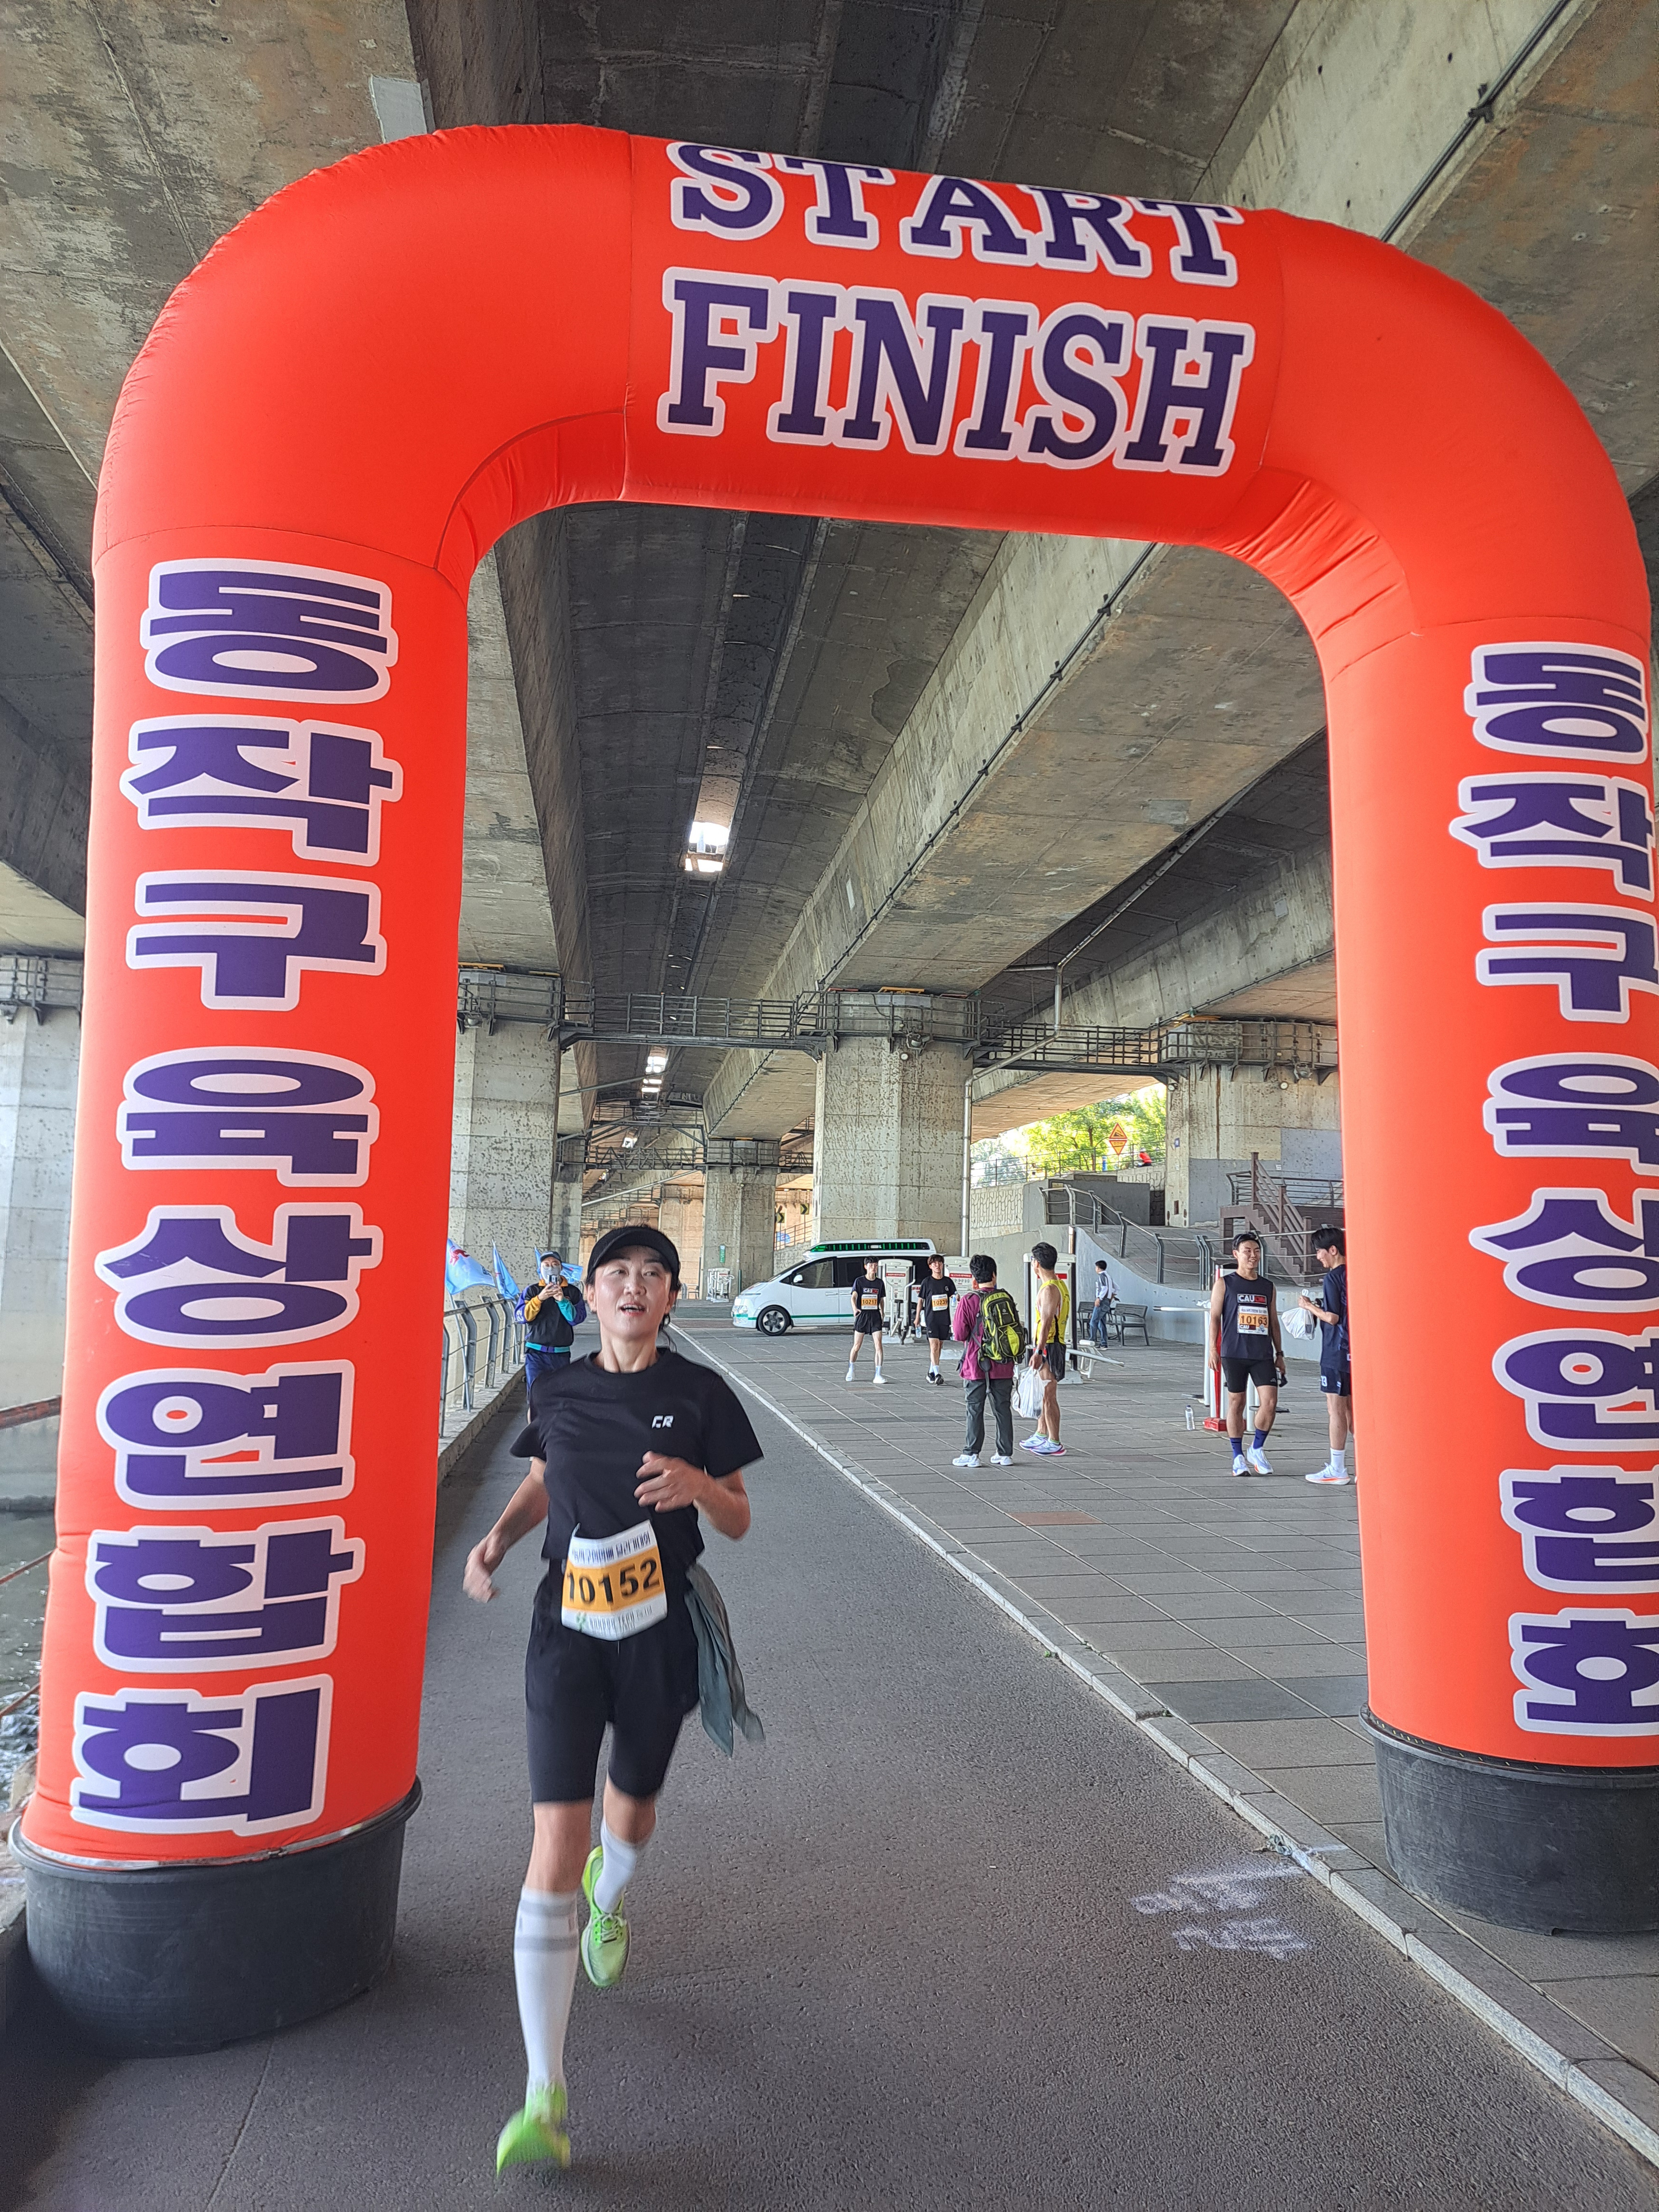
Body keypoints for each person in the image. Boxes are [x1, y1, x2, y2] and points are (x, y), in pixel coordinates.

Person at [464, 1224, 761, 2174]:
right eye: (617, 1273)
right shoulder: (557, 1389)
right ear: (588, 1294)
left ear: (669, 1296)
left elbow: (738, 1516)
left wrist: (698, 1482)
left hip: (657, 1632)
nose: (634, 1285)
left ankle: (612, 1891)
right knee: (553, 1835)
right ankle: (543, 2092)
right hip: (565, 1629)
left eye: (652, 1273)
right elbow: (543, 1479)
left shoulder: (701, 1392)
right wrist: (496, 1541)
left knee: (627, 1818)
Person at [1207, 1229, 1285, 1476]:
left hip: (1262, 1354)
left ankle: (1257, 1448)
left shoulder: (1268, 1286)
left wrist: (1280, 1354)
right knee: (1236, 1402)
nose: (1253, 1255)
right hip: (1234, 1352)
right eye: (1247, 1251)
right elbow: (1215, 1317)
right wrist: (1213, 1349)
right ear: (1236, 1254)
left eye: (1257, 1251)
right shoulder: (1225, 1284)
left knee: (1270, 1402)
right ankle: (1237, 1456)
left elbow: (1273, 1322)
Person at [951, 1254, 1018, 1465]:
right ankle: (1005, 1454)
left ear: (974, 1278)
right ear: (994, 1275)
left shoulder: (969, 1300)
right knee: (1003, 1408)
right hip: (1003, 1363)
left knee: (974, 1408)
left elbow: (960, 1334)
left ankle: (971, 1454)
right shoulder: (1006, 1298)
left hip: (976, 1364)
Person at [1299, 1226, 1353, 1485]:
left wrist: (1309, 1307)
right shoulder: (1355, 1273)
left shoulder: (1333, 1278)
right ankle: (1366, 1466)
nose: (1318, 1256)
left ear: (1333, 1250)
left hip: (1336, 1350)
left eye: (1320, 1251)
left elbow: (1332, 1318)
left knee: (1335, 1409)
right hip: (1354, 1349)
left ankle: (1337, 1468)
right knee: (1353, 1411)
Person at [1023, 1241, 1070, 1456]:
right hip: (1051, 1345)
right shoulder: (1058, 1285)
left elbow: (1047, 1322)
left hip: (1050, 1346)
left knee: (1048, 1395)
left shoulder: (1050, 1289)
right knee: (1044, 1393)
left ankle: (1055, 1441)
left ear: (1037, 1263)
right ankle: (1041, 1433)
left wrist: (1039, 1351)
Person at [523, 1250, 586, 1405]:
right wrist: (539, 1299)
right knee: (536, 1395)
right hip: (536, 1352)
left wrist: (562, 1301)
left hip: (561, 1354)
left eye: (555, 1264)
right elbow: (524, 1317)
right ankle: (535, 1420)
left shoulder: (573, 1292)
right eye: (546, 1265)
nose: (550, 1268)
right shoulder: (532, 1291)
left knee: (560, 1395)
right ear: (540, 1269)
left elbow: (576, 1319)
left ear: (561, 1268)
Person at [845, 1255, 887, 1383]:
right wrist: (855, 1309)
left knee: (879, 1345)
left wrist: (882, 1313)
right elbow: (854, 1297)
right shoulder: (859, 1281)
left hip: (875, 1316)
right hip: (862, 1315)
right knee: (857, 1346)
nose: (873, 1268)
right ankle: (851, 1369)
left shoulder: (880, 1283)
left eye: (875, 1266)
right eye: (871, 1266)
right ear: (866, 1267)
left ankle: (878, 1374)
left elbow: (881, 1300)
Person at [920, 1252, 956, 1383]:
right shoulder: (927, 1282)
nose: (937, 1265)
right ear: (930, 1266)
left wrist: (955, 1298)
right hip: (931, 1318)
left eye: (940, 1263)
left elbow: (953, 1295)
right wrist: (917, 1318)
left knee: (939, 1346)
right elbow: (921, 1300)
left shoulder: (948, 1282)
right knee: (934, 1345)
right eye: (934, 1263)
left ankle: (931, 1372)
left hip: (944, 1319)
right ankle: (937, 1374)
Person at [1088, 1255, 1118, 1347]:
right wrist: (1111, 1297)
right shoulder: (1108, 1277)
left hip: (1102, 1301)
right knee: (1102, 1323)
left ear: (1098, 1268)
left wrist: (1099, 1298)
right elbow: (1116, 1288)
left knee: (1093, 1321)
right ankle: (1104, 1343)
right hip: (1107, 1301)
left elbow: (1104, 1288)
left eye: (1096, 1267)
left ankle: (1092, 1341)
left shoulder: (1102, 1276)